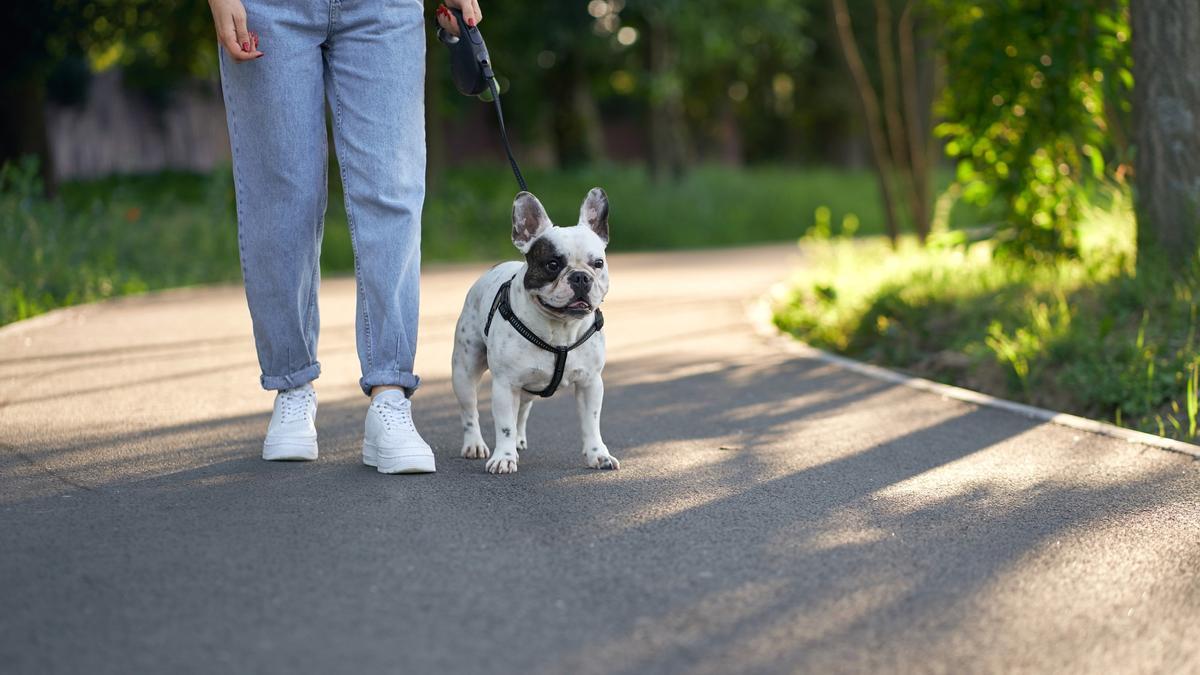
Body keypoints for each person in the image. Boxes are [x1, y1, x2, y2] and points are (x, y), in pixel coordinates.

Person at [207, 0, 483, 474]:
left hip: (383, 8)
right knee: (281, 195)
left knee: (392, 190)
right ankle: (292, 386)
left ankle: (390, 396)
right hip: (269, 9)